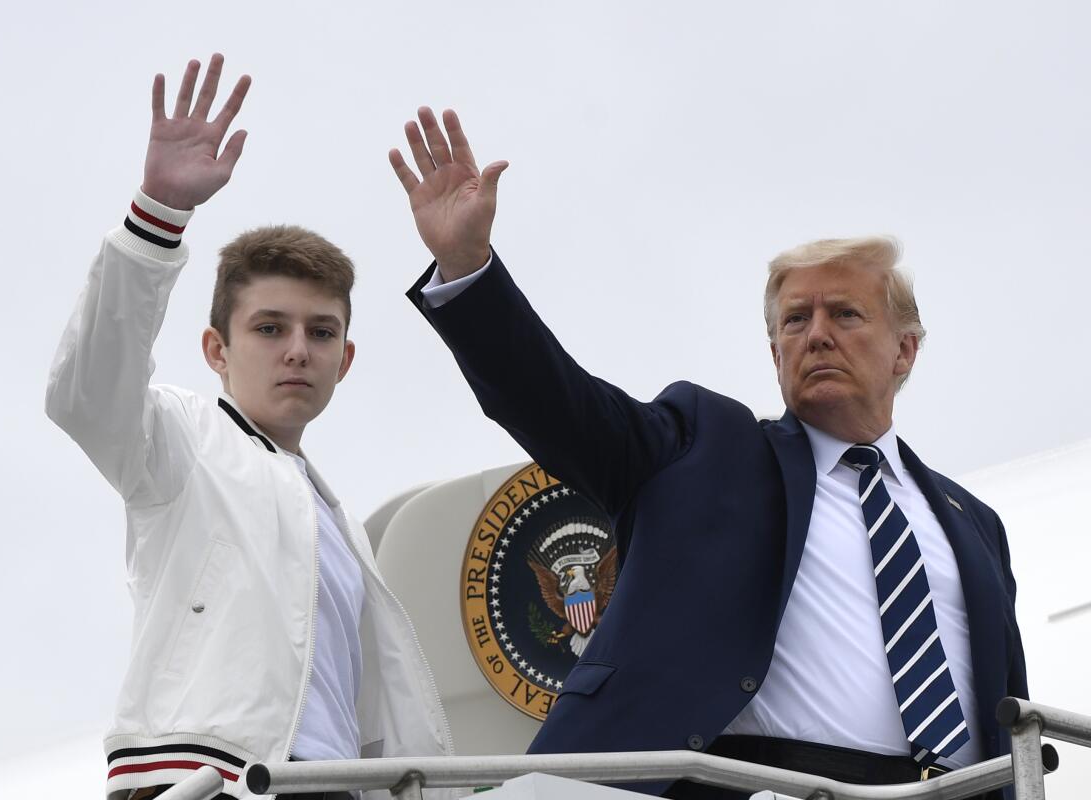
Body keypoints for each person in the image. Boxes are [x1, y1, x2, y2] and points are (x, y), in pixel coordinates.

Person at [388, 107, 1027, 799]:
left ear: (905, 348)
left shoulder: (973, 522)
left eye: (844, 314)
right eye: (795, 320)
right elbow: (553, 401)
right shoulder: (704, 445)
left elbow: (1008, 708)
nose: (816, 335)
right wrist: (468, 269)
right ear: (773, 349)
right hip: (752, 783)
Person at [46, 57, 453, 800]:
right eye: (270, 327)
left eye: (321, 332)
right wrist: (156, 214)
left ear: (345, 359)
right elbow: (86, 394)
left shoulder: (342, 527)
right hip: (205, 779)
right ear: (217, 350)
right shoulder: (178, 440)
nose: (298, 348)